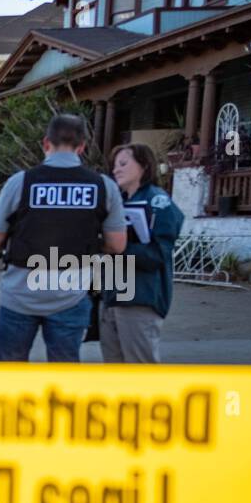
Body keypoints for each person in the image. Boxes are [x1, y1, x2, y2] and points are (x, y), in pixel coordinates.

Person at [0, 114, 127, 363]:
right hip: (70, 296)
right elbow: (117, 244)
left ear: (45, 143)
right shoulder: (103, 186)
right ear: (82, 147)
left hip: (20, 295)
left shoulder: (20, 183)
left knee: (9, 378)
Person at [103, 142, 184, 363]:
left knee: (141, 370)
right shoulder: (115, 201)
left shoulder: (158, 202)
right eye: (114, 165)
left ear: (144, 166)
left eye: (123, 164)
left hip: (141, 296)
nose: (115, 170)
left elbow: (159, 253)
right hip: (111, 296)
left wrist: (118, 246)